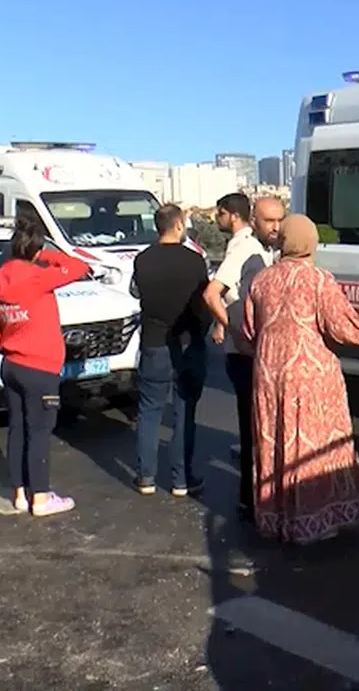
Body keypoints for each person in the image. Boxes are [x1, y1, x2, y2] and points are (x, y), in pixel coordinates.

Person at [242, 214, 359, 545]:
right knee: (311, 444)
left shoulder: (261, 280)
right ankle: (315, 521)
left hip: (269, 373)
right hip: (310, 376)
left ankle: (276, 516)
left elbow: (250, 329)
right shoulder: (319, 280)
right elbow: (343, 328)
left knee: (276, 440)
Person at [0, 215, 90, 517]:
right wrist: (42, 254)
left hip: (12, 363)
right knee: (40, 431)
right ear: (33, 249)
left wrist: (3, 344)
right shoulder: (36, 276)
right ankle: (40, 497)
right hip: (40, 366)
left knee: (17, 429)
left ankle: (20, 492)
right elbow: (78, 266)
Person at [202, 193, 283, 520]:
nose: (276, 228)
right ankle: (249, 501)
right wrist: (233, 329)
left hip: (261, 352)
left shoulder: (267, 250)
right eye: (269, 221)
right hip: (245, 355)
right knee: (253, 428)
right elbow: (212, 294)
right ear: (254, 219)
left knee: (263, 426)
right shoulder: (246, 249)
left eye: (280, 221)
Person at [131, 203, 211, 497]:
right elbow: (202, 306)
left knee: (149, 412)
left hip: (153, 342)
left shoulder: (142, 260)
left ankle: (146, 477)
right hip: (188, 343)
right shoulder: (194, 261)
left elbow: (135, 293)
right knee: (183, 412)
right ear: (178, 225)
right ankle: (181, 479)